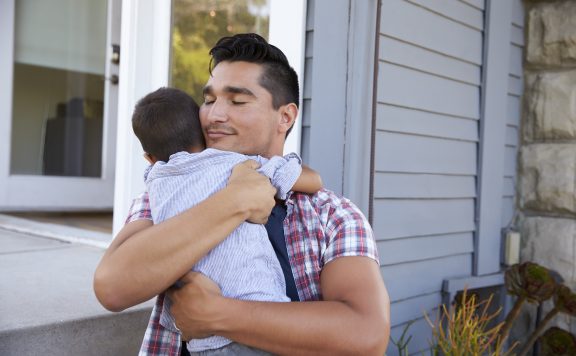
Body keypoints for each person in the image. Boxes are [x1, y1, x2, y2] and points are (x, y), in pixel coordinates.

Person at [94, 33, 390, 355]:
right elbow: (113, 287)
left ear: (286, 117)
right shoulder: (167, 194)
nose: (213, 116)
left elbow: (366, 334)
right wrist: (235, 201)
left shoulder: (332, 216)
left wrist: (216, 315)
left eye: (237, 101)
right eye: (209, 100)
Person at [131, 86, 322, 354]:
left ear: (149, 159)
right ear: (203, 133)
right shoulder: (233, 164)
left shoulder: (153, 183)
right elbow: (310, 180)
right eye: (209, 101)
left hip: (198, 337)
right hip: (259, 319)